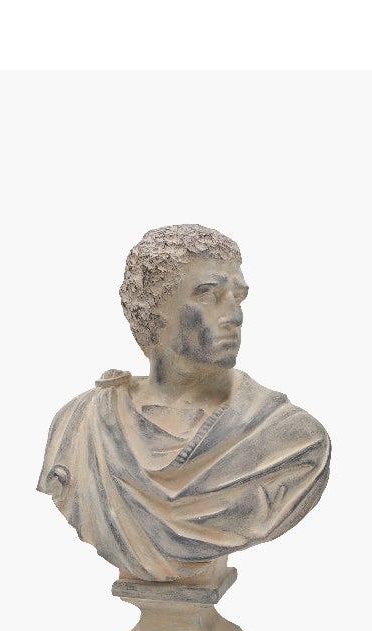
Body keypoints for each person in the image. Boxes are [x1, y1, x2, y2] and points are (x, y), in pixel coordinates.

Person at [37, 224, 330, 583]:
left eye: (238, 298)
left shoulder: (291, 441)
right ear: (152, 308)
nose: (234, 316)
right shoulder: (82, 425)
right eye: (208, 295)